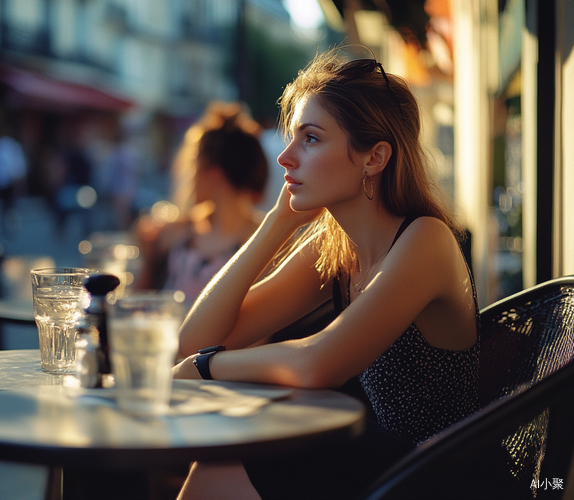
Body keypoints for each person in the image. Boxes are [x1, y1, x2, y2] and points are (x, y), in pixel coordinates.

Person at [172, 48, 480, 500]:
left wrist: (204, 368)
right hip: (384, 467)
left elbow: (313, 363)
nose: (285, 158)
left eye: (311, 139)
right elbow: (192, 340)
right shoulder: (334, 247)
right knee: (236, 449)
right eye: (292, 137)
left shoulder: (426, 240)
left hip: (438, 477)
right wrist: (276, 224)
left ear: (374, 158)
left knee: (244, 451)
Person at [136, 102, 269, 306]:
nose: (191, 176)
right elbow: (140, 301)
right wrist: (148, 255)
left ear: (214, 173)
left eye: (195, 164)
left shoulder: (263, 242)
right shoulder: (176, 230)